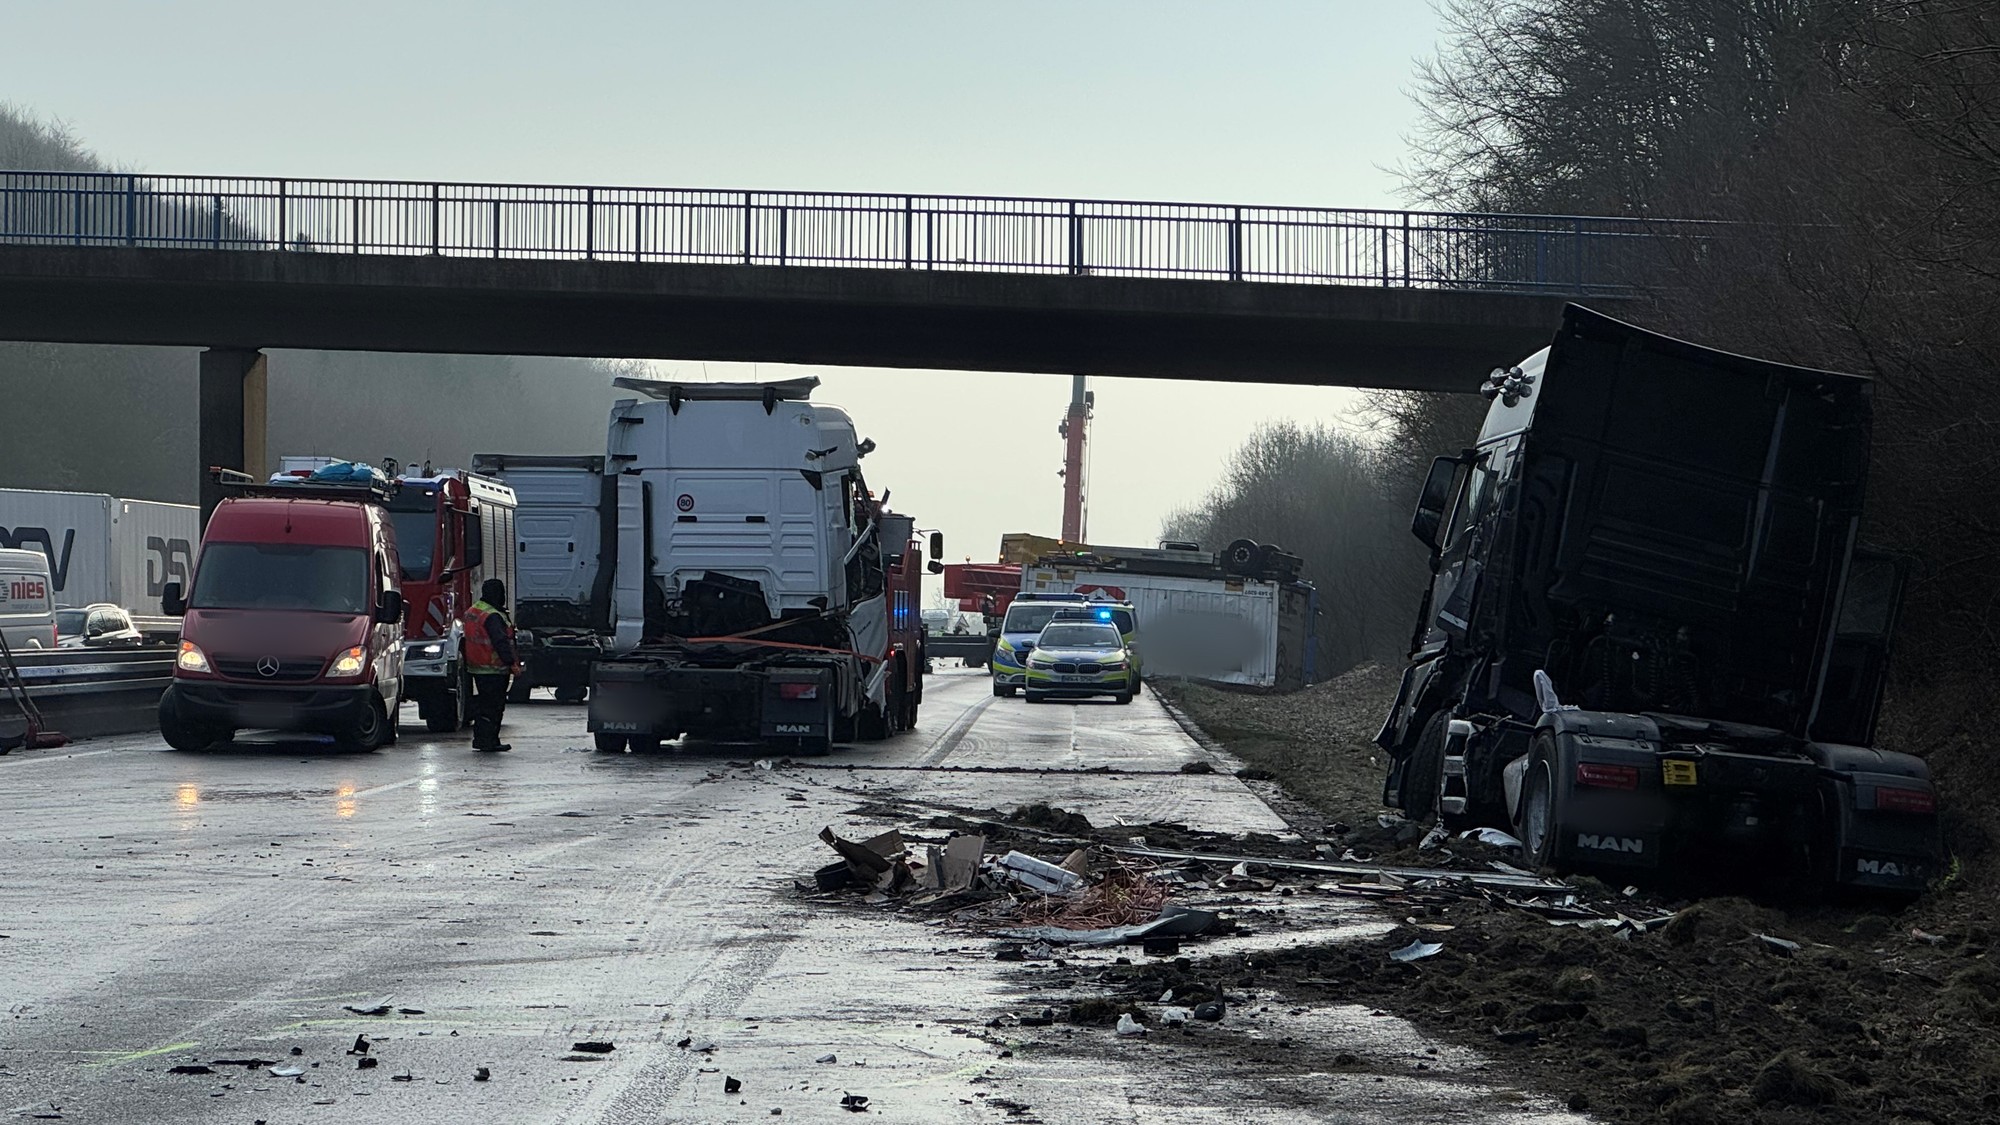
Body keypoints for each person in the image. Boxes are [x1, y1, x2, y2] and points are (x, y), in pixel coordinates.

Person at [461, 578, 521, 752]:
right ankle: (489, 741)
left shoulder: (475, 610)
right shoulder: (493, 615)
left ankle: (481, 739)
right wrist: (512, 663)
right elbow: (500, 641)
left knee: (483, 706)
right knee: (493, 707)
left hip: (476, 666)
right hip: (493, 669)